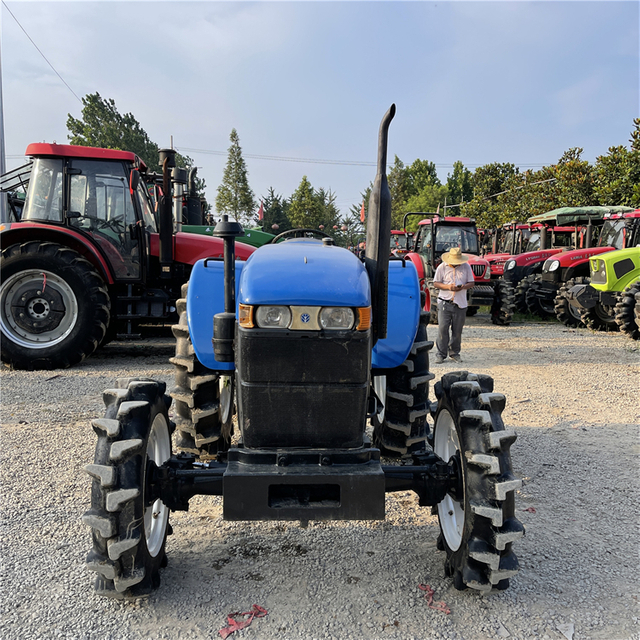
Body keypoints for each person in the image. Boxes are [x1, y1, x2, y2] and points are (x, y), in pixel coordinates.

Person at [432, 247, 475, 364]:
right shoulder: (442, 267)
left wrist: (462, 287)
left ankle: (455, 353)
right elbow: (436, 283)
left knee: (457, 331)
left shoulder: (466, 267)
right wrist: (449, 287)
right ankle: (440, 354)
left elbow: (472, 282)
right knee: (442, 329)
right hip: (445, 302)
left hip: (460, 303)